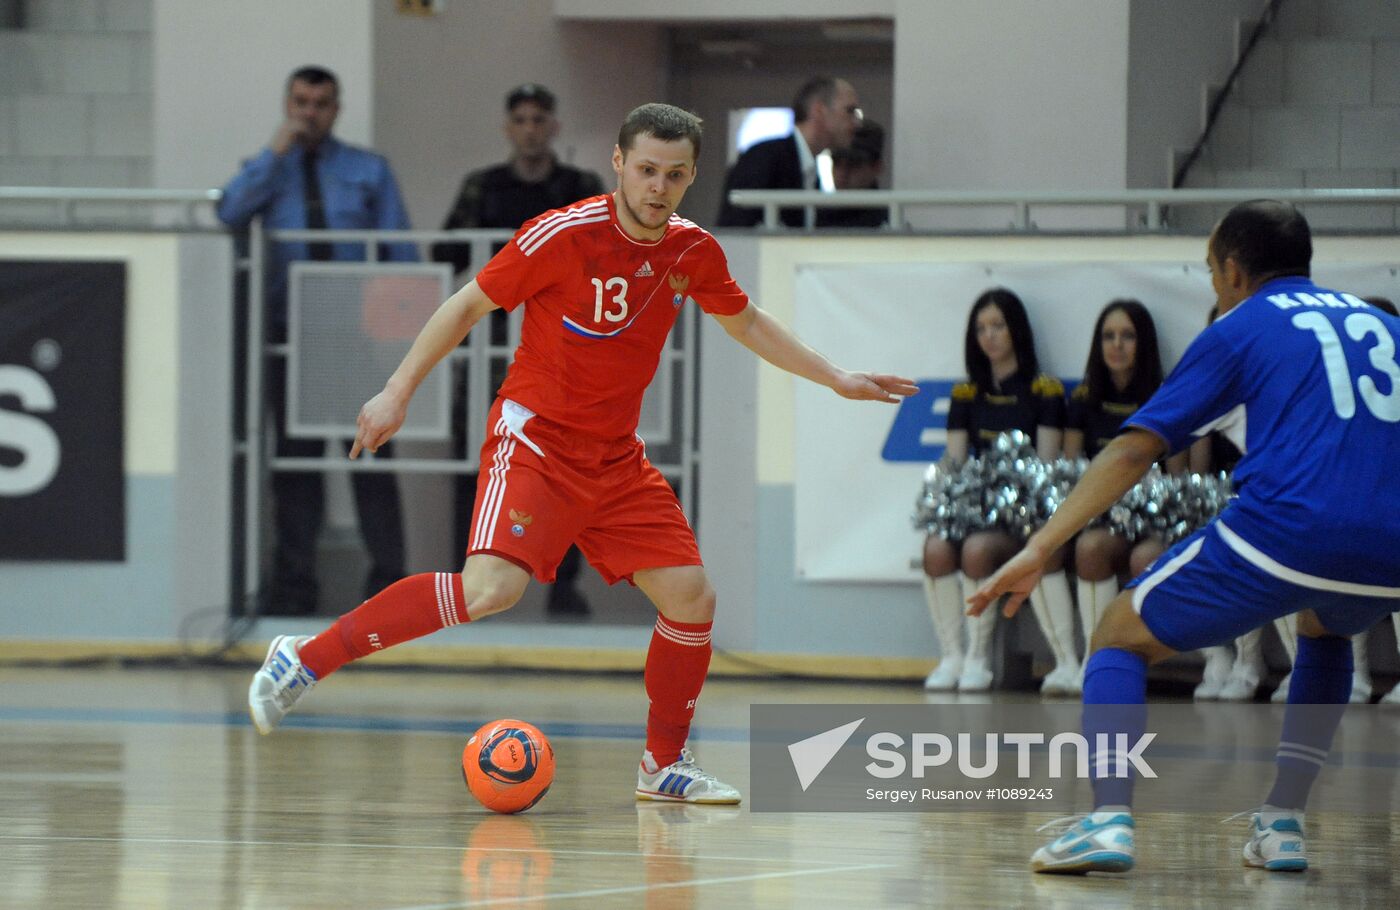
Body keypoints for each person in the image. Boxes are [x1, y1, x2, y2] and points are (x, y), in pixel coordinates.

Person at [247, 103, 917, 805]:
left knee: (691, 597)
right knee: (490, 591)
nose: (659, 187)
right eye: (647, 170)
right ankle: (306, 658)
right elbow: (466, 306)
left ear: (692, 176)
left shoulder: (691, 250)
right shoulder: (562, 234)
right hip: (535, 442)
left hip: (615, 458)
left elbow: (745, 321)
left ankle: (663, 766)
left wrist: (836, 377)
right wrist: (396, 391)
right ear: (619, 164)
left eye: (676, 174)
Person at [969, 200, 1400, 874]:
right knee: (1324, 628)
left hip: (1290, 528)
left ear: (1233, 271)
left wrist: (1040, 546)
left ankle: (1107, 820)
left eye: (1210, 271)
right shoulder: (1385, 325)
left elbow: (1132, 451)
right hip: (1391, 548)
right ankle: (1283, 822)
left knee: (1117, 633)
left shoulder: (1241, 325)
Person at [218, 65, 415, 615]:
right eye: (301, 102)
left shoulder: (367, 170)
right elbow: (228, 211)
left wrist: (397, 328)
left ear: (337, 109)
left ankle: (388, 587)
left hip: (351, 335)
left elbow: (402, 251)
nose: (310, 112)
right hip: (288, 336)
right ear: (288, 105)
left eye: (321, 103)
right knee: (294, 466)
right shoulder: (268, 168)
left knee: (371, 457)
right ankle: (294, 585)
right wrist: (274, 152)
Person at [431, 83, 606, 617]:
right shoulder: (483, 187)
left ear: (554, 127)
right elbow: (444, 252)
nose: (531, 130)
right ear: (509, 128)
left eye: (539, 119)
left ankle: (564, 587)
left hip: (565, 351)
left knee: (567, 468)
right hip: (490, 347)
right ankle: (465, 585)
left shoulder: (580, 187)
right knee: (477, 460)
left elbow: (608, 253)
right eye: (522, 120)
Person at [921, 288, 1072, 694]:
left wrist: (1012, 503)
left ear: (1016, 330)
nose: (988, 336)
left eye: (998, 326)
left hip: (1024, 515)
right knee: (935, 548)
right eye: (981, 328)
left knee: (976, 550)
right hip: (978, 511)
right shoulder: (966, 394)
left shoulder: (1044, 391)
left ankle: (978, 657)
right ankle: (952, 655)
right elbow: (955, 465)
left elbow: (1046, 467)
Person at [1064, 300, 1183, 688]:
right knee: (1090, 548)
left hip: (1157, 521)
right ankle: (1094, 659)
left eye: (1127, 336)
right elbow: (1069, 473)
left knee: (1146, 557)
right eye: (1109, 336)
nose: (1116, 345)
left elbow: (1180, 478)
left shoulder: (1165, 398)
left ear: (1143, 343)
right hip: (1105, 520)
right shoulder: (1083, 400)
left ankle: (1144, 661)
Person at [716, 76, 862, 227]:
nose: (857, 123)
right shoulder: (763, 158)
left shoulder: (810, 170)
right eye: (850, 111)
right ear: (819, 110)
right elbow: (735, 228)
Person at [818, 120, 887, 229]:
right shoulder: (818, 216)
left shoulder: (888, 224)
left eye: (853, 163)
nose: (842, 173)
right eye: (836, 162)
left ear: (876, 167)